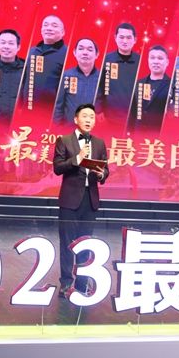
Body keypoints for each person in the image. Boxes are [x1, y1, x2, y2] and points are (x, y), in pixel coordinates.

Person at [53, 103, 109, 296]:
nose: (88, 120)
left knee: (86, 243)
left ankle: (82, 284)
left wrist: (101, 174)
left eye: (92, 117)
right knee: (67, 243)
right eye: (85, 116)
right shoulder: (64, 141)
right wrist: (77, 159)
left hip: (90, 200)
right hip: (70, 200)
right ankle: (66, 284)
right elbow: (58, 167)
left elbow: (106, 169)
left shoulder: (99, 143)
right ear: (76, 119)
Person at [18, 14, 68, 123]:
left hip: (51, 115)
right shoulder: (32, 51)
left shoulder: (67, 54)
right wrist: (19, 105)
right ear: (41, 30)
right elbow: (24, 80)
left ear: (63, 32)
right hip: (27, 111)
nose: (49, 28)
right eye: (45, 25)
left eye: (54, 25)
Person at [96, 23, 140, 132]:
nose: (125, 41)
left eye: (128, 37)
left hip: (133, 117)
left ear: (135, 40)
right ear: (115, 38)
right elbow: (100, 85)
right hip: (110, 116)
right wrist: (98, 109)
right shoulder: (107, 59)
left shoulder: (140, 61)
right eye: (121, 37)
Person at [52, 38, 101, 127]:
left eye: (90, 50)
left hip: (95, 130)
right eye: (81, 48)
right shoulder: (66, 76)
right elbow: (59, 106)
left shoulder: (102, 78)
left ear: (97, 54)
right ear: (74, 52)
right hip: (69, 129)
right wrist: (57, 128)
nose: (85, 52)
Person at [128, 45, 171, 134]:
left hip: (158, 136)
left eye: (160, 58)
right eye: (152, 58)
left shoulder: (172, 86)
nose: (156, 61)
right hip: (138, 134)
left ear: (167, 62)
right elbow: (133, 113)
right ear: (148, 60)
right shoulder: (139, 83)